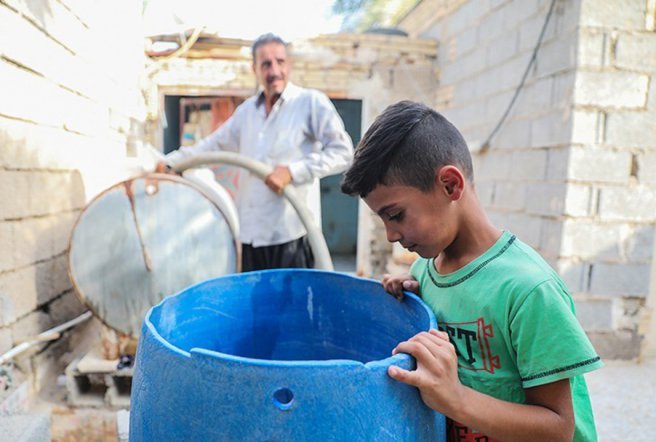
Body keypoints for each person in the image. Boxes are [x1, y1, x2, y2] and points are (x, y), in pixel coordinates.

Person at [340, 101, 602, 442]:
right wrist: (411, 301)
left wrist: (458, 399)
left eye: (397, 215)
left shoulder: (528, 289)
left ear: (450, 185)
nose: (391, 234)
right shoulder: (425, 273)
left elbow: (558, 428)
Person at [162, 33, 353, 271]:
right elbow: (211, 146)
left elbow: (343, 152)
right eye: (265, 64)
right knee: (254, 307)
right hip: (250, 235)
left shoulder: (310, 103)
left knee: (292, 308)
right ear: (255, 69)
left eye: (279, 62)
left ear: (289, 64)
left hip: (289, 234)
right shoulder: (247, 112)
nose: (274, 70)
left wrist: (293, 172)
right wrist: (171, 163)